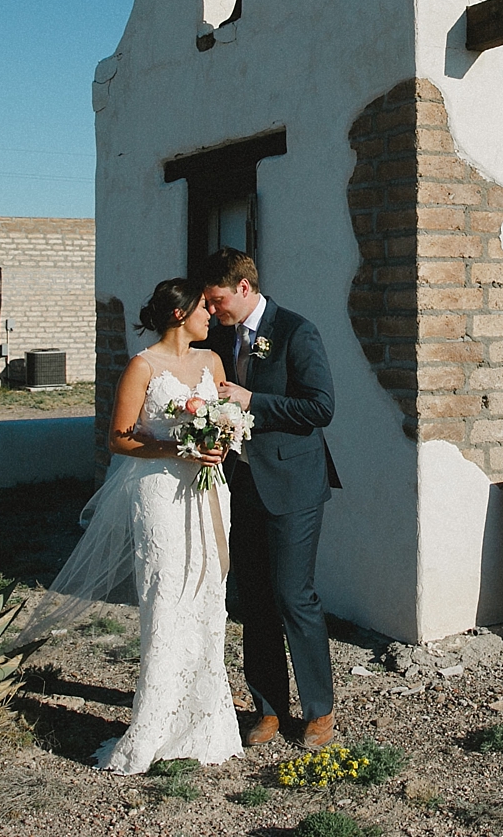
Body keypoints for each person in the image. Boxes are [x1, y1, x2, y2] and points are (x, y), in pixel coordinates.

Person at [12, 278, 241, 774]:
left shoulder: (212, 363)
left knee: (207, 595)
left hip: (208, 491)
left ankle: (205, 723)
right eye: (204, 307)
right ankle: (154, 724)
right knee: (166, 596)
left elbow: (225, 417)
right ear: (180, 314)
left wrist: (220, 441)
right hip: (159, 492)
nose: (211, 314)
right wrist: (177, 447)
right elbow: (119, 439)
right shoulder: (143, 366)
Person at [195, 247, 341, 750]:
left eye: (217, 302)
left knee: (292, 596)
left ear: (243, 287)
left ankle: (319, 710)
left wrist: (254, 401)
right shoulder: (219, 336)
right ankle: (269, 708)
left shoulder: (297, 331)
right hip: (242, 485)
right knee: (254, 600)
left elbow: (321, 406)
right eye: (208, 305)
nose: (212, 312)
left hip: (294, 486)